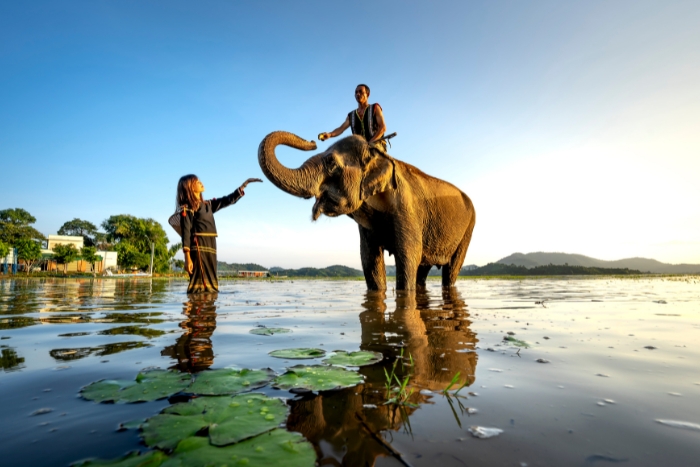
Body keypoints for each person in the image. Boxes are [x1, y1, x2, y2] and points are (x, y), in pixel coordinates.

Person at [176, 175, 261, 293]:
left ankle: (209, 302)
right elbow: (186, 232)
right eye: (197, 182)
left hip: (211, 244)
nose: (201, 183)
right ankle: (195, 305)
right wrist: (187, 258)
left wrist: (242, 187)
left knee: (210, 276)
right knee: (199, 278)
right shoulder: (187, 209)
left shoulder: (208, 205)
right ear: (189, 187)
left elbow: (226, 200)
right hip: (198, 245)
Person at [319, 84, 387, 150]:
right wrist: (330, 134)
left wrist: (371, 142)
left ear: (368, 94)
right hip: (359, 147)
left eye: (360, 91)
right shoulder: (352, 115)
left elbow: (383, 128)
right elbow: (341, 129)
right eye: (356, 92)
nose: (358, 94)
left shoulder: (375, 108)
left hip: (376, 144)